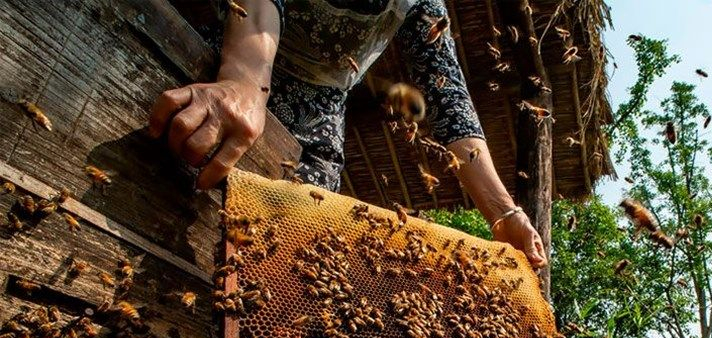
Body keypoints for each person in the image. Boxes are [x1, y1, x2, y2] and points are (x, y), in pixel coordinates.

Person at [148, 0, 546, 267]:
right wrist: (244, 81)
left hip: (318, 124)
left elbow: (449, 99)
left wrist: (503, 212)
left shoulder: (425, 6)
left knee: (284, 261)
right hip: (229, 72)